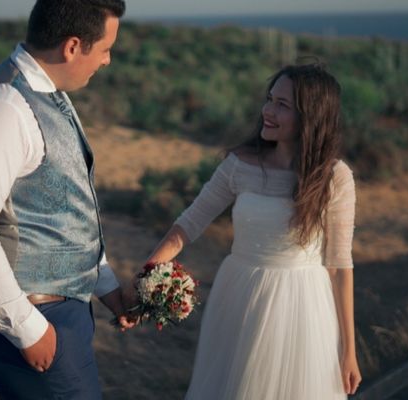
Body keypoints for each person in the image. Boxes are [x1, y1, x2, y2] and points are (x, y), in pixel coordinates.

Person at [0, 0, 135, 400]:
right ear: (71, 46)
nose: (107, 62)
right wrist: (27, 329)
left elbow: (63, 211)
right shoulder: (2, 108)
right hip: (29, 315)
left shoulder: (49, 94)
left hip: (58, 309)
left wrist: (106, 288)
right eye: (104, 49)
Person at [127, 63, 362, 399]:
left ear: (310, 116)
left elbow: (339, 266)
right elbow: (188, 225)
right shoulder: (239, 165)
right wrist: (144, 281)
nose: (267, 111)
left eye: (283, 105)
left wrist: (348, 350)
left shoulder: (335, 177)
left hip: (302, 304)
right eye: (269, 99)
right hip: (239, 294)